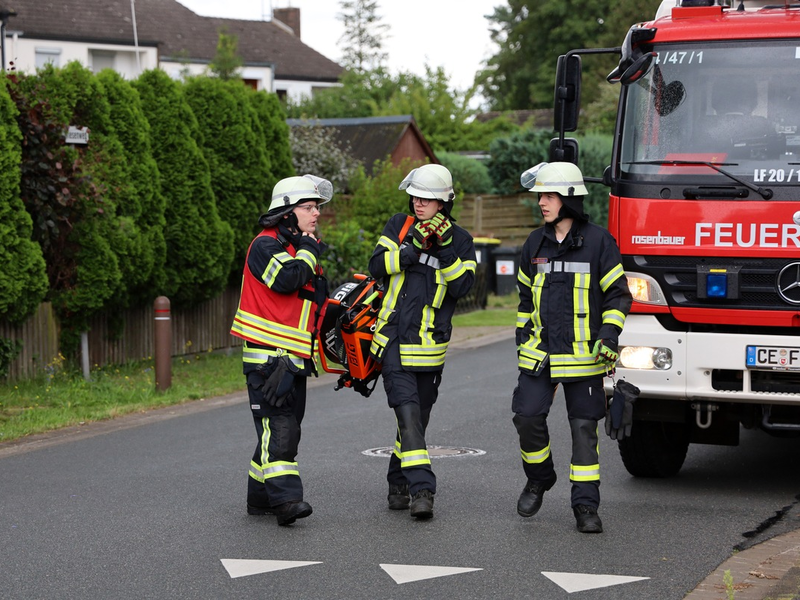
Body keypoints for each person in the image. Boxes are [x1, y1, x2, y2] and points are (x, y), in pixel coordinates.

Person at [511, 162, 632, 533]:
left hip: (585, 357)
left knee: (584, 429)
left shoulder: (599, 242)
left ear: (569, 199)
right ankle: (540, 477)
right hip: (540, 354)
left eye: (549, 196)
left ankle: (585, 506)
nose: (542, 203)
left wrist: (609, 337)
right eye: (540, 196)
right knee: (527, 417)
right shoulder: (534, 243)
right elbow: (523, 300)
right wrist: (523, 338)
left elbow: (618, 295)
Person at [368, 164, 477, 520]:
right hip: (393, 338)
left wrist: (444, 248)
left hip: (430, 348)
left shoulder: (460, 241)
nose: (418, 203)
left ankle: (397, 483)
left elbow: (461, 287)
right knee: (408, 413)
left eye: (426, 198)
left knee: (417, 422)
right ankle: (422, 489)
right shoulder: (398, 225)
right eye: (415, 196)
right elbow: (376, 265)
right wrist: (407, 250)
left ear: (443, 202)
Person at [230, 174, 332, 526]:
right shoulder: (265, 246)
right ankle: (287, 500)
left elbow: (312, 304)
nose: (315, 213)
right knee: (281, 427)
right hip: (267, 359)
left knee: (281, 427)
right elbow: (287, 280)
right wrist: (309, 249)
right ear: (286, 212)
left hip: (292, 357)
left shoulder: (299, 250)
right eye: (307, 207)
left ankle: (260, 497)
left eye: (316, 207)